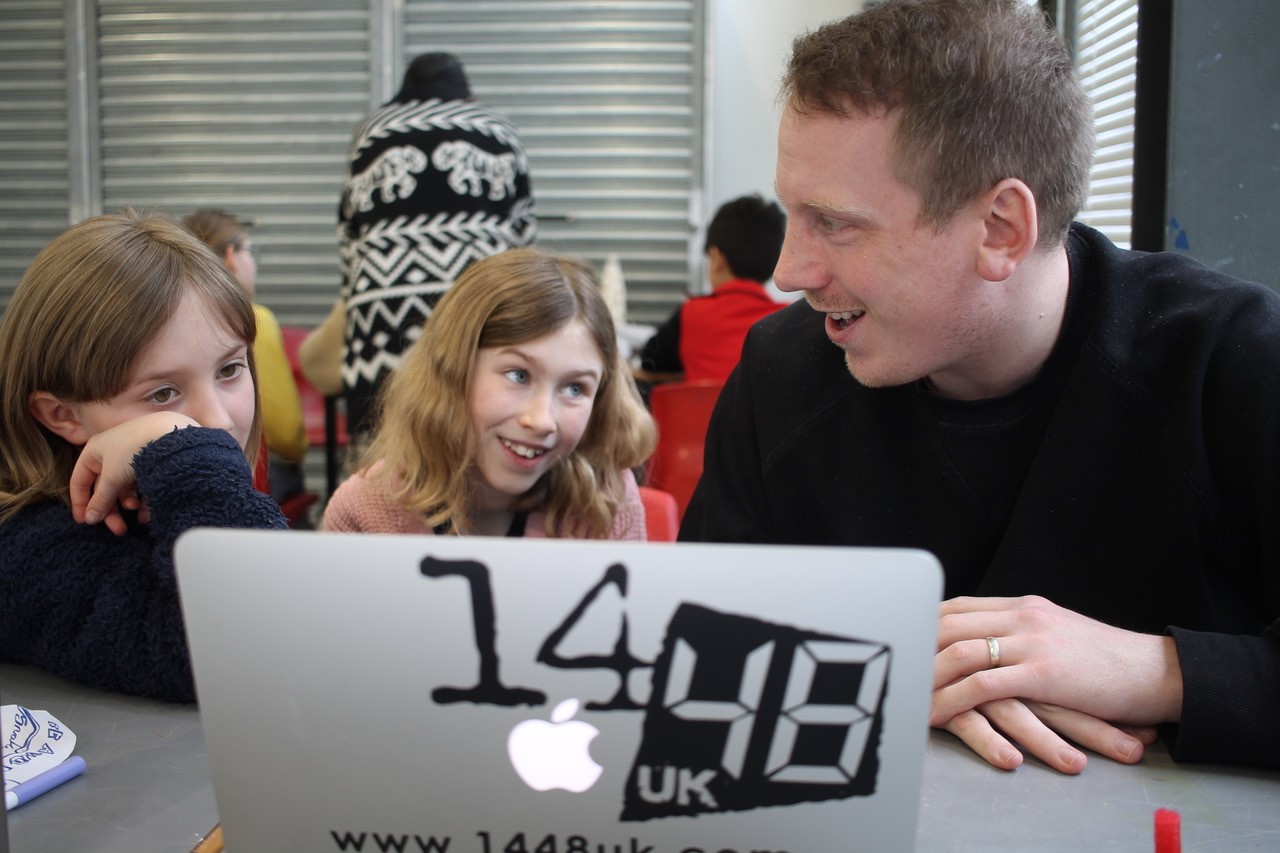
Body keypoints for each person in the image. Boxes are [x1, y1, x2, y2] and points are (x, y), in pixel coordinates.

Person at [680, 0, 1280, 774]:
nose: (789, 272)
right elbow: (697, 650)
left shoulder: (1229, 361)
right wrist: (907, 677)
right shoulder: (780, 374)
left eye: (835, 223)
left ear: (1000, 228)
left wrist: (1153, 670)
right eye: (792, 213)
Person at [0, 210, 288, 702]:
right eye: (161, 395)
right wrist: (183, 447)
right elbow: (243, 656)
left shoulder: (173, 490)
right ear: (63, 415)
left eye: (230, 369)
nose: (216, 420)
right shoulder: (27, 547)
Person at [324, 248, 655, 539]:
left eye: (574, 388)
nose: (541, 421)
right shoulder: (363, 510)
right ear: (453, 371)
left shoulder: (608, 505)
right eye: (518, 375)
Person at [339, 51, 537, 441]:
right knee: (473, 433)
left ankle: (370, 501)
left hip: (382, 308)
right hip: (476, 303)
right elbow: (524, 236)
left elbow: (348, 233)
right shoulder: (498, 129)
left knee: (383, 440)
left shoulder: (371, 130)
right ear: (466, 92)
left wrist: (354, 300)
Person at [183, 208, 309, 504]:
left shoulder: (170, 323)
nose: (253, 263)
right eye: (251, 251)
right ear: (231, 256)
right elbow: (287, 435)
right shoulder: (254, 321)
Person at [638, 194, 787, 385]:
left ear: (717, 259)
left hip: (701, 415)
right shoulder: (788, 320)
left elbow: (650, 362)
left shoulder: (692, 313)